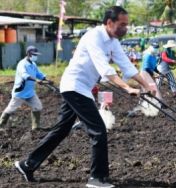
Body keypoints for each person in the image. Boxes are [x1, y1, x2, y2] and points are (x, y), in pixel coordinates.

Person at [14, 6, 155, 188]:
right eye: (122, 24)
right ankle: (97, 179)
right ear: (109, 22)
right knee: (98, 131)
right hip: (74, 87)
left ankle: (28, 165)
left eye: (126, 25)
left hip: (81, 88)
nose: (125, 28)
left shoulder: (112, 41)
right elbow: (105, 69)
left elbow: (127, 65)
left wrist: (146, 86)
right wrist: (127, 87)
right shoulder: (93, 37)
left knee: (62, 130)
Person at [0, 46, 52, 130]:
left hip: (30, 92)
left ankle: (36, 127)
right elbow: (25, 76)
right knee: (11, 109)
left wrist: (46, 79)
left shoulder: (33, 64)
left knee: (37, 107)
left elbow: (39, 74)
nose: (36, 56)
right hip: (20, 92)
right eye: (34, 54)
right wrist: (36, 80)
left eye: (36, 54)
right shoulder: (22, 64)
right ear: (28, 54)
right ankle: (1, 125)